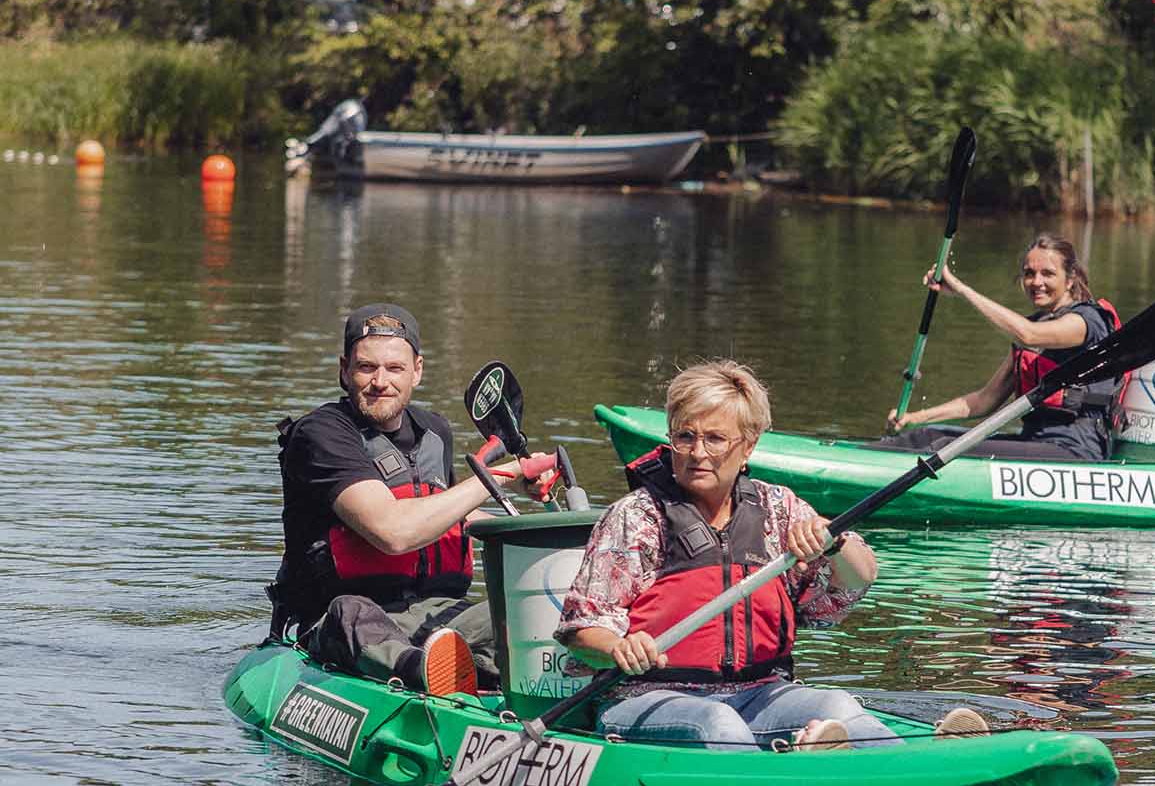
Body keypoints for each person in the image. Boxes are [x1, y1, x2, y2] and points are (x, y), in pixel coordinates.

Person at [559, 361, 964, 749]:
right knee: (719, 724)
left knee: (838, 705)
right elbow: (581, 629)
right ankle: (796, 778)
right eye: (685, 436)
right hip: (645, 696)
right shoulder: (637, 516)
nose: (697, 452)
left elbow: (861, 575)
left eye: (715, 439)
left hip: (759, 693)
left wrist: (834, 543)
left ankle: (929, 768)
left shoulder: (778, 509)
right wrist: (617, 647)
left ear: (748, 447)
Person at [274, 303, 523, 694]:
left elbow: (451, 514)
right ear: (344, 370)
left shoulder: (435, 431)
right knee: (350, 612)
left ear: (417, 371)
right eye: (366, 367)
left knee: (518, 616)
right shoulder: (322, 434)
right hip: (344, 618)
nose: (380, 381)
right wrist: (506, 475)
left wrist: (532, 528)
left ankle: (493, 668)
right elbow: (393, 532)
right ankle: (423, 671)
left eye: (394, 368)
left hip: (436, 616)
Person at [882, 235, 1120, 461]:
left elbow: (1029, 335)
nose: (1037, 282)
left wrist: (961, 289)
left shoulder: (1088, 321)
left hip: (1074, 449)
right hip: (1034, 442)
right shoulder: (1035, 324)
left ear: (1070, 279)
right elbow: (984, 400)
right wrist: (916, 418)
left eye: (1048, 273)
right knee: (925, 437)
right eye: (1029, 273)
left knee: (944, 450)